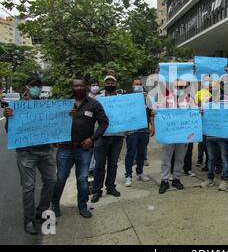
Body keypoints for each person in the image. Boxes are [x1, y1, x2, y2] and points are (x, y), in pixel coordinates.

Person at [4, 74, 57, 235]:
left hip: (45, 151)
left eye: (38, 85)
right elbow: (10, 131)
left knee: (52, 180)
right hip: (26, 153)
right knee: (28, 187)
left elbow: (54, 125)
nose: (36, 88)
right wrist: (8, 118)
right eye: (33, 85)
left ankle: (41, 210)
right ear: (26, 87)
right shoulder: (16, 107)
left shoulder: (46, 106)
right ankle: (28, 220)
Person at [52, 76, 109, 218]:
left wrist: (92, 139)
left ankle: (83, 206)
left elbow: (104, 122)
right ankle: (54, 204)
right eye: (75, 86)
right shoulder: (64, 104)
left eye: (81, 85)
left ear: (86, 87)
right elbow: (52, 122)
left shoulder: (94, 104)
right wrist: (54, 138)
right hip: (65, 148)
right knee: (60, 177)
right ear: (72, 88)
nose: (78, 88)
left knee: (83, 179)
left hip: (84, 148)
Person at [154, 79, 197, 194]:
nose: (180, 89)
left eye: (182, 87)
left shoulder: (189, 99)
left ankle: (176, 178)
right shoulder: (166, 99)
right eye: (178, 87)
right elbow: (158, 109)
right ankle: (164, 180)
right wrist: (156, 111)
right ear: (174, 87)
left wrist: (199, 113)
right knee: (166, 158)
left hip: (183, 134)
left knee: (180, 157)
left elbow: (195, 111)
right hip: (169, 134)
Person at [91, 73, 124, 203]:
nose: (110, 84)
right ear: (104, 84)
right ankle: (96, 190)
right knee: (99, 165)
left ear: (115, 84)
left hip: (117, 136)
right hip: (101, 135)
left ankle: (110, 187)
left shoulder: (122, 98)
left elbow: (127, 115)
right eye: (108, 83)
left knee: (113, 164)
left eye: (112, 82)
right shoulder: (97, 99)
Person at [124, 78, 153, 186]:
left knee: (141, 152)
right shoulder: (128, 98)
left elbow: (151, 112)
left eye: (140, 84)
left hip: (144, 129)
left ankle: (140, 172)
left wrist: (152, 127)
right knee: (131, 153)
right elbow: (124, 113)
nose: (138, 86)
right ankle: (128, 175)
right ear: (132, 86)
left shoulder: (146, 97)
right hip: (132, 130)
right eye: (136, 84)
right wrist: (124, 129)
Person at [195, 76, 212, 169]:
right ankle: (200, 159)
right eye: (205, 81)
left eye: (208, 81)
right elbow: (195, 105)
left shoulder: (212, 94)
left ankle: (207, 161)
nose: (207, 83)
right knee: (201, 141)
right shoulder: (198, 93)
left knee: (207, 142)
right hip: (201, 120)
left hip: (209, 122)